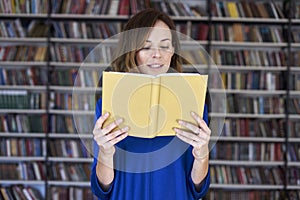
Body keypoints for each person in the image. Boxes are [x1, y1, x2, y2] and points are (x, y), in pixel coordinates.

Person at [91, 8, 211, 200]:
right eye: (146, 47)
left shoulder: (194, 103)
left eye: (165, 46)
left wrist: (202, 154)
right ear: (132, 51)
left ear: (173, 51)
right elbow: (102, 188)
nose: (157, 54)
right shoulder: (107, 104)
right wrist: (105, 152)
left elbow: (197, 187)